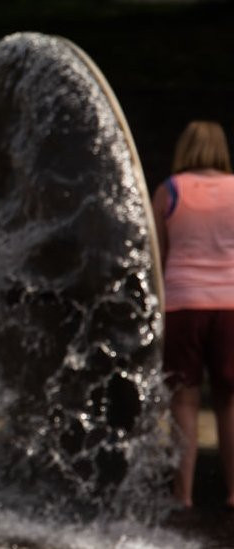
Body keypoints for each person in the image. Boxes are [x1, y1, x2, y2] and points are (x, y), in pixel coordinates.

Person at [153, 120, 234, 509]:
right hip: (230, 305)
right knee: (229, 401)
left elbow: (158, 255)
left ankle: (182, 495)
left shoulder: (170, 190)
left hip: (183, 303)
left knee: (183, 403)